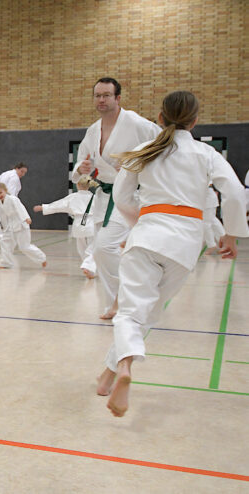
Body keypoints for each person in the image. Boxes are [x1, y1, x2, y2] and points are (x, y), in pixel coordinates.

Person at [95, 91, 248, 417]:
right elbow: (235, 192)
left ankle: (122, 369)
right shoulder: (205, 153)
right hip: (185, 245)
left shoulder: (145, 149)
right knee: (148, 313)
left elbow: (121, 196)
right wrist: (231, 235)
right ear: (194, 121)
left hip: (147, 235)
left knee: (131, 313)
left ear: (160, 118)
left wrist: (140, 223)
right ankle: (109, 374)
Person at [72, 77, 161, 319]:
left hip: (130, 196)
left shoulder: (137, 124)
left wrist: (137, 163)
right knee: (102, 254)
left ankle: (127, 298)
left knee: (104, 247)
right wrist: (82, 168)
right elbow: (80, 164)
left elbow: (162, 149)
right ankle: (117, 303)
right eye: (97, 95)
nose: (101, 100)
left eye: (106, 95)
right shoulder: (93, 130)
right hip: (104, 197)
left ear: (117, 98)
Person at [34, 175, 98, 278]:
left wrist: (43, 207)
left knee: (81, 248)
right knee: (93, 248)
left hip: (78, 224)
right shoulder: (95, 198)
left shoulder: (73, 197)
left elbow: (58, 205)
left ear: (77, 185)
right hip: (91, 224)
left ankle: (89, 270)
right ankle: (88, 266)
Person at [0, 182, 47, 269]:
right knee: (4, 242)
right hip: (10, 227)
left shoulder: (13, 199)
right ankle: (6, 263)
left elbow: (20, 208)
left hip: (21, 224)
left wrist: (26, 218)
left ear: (5, 190)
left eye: (0, 192)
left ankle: (42, 258)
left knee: (24, 247)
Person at [202, 185, 225, 254]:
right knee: (213, 220)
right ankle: (223, 243)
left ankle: (212, 245)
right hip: (208, 197)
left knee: (206, 223)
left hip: (207, 198)